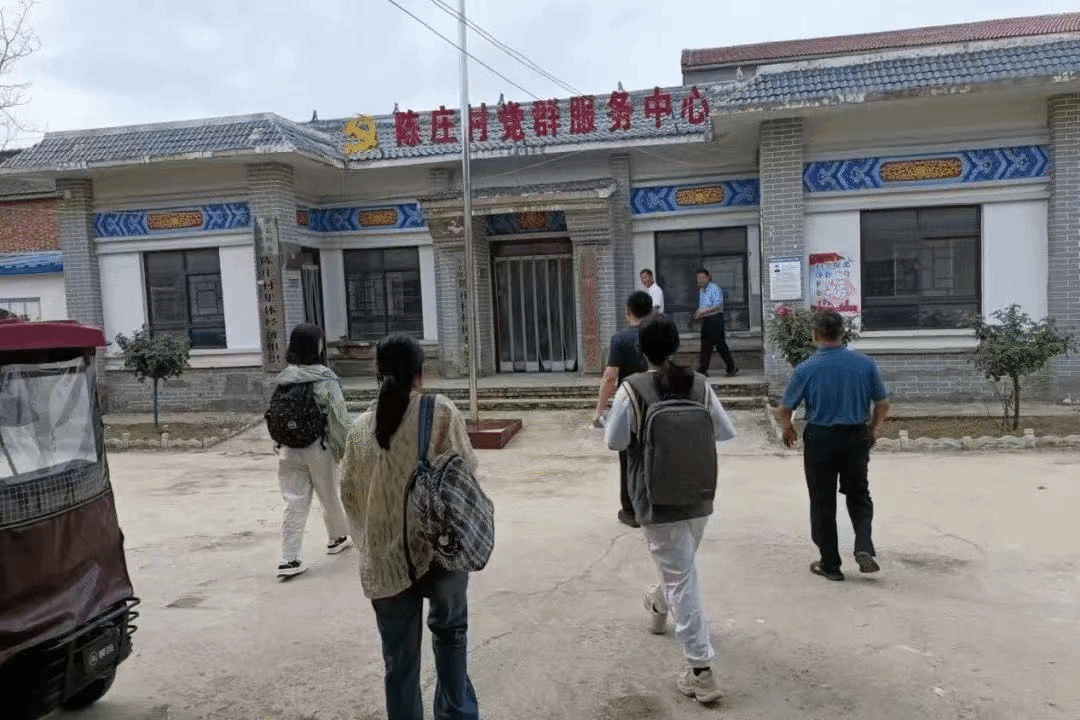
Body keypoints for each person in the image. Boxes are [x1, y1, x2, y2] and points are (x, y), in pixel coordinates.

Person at [340, 334, 480, 720]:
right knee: (451, 639)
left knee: (399, 662)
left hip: (385, 560)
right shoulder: (441, 412)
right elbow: (466, 470)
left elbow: (349, 494)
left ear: (378, 375)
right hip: (442, 551)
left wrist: (375, 537)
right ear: (421, 373)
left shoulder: (359, 430)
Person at [604, 315, 736, 704]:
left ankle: (701, 671)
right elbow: (724, 431)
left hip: (656, 498)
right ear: (677, 345)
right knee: (680, 571)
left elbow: (615, 442)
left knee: (681, 579)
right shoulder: (698, 383)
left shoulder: (632, 389)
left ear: (640, 349)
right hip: (699, 494)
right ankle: (658, 602)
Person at [778, 311, 890, 582]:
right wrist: (873, 429)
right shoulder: (864, 364)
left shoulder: (806, 368)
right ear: (843, 334)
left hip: (821, 439)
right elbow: (882, 404)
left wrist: (788, 428)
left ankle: (830, 564)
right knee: (859, 494)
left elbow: (784, 408)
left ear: (815, 334)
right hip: (856, 436)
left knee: (822, 501)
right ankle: (864, 546)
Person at [272, 323, 353, 579]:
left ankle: (289, 558)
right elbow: (339, 420)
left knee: (293, 500)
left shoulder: (285, 378)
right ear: (317, 347)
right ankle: (337, 538)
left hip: (288, 449)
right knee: (328, 494)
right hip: (318, 447)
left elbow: (277, 414)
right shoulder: (325, 379)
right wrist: (345, 449)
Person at [592, 290, 653, 528]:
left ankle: (631, 511)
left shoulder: (621, 339)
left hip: (631, 405)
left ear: (628, 310)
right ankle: (655, 507)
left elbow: (610, 377)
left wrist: (598, 412)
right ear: (650, 310)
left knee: (628, 458)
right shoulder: (660, 334)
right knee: (655, 454)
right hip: (659, 402)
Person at [694, 268, 738, 378]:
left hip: (715, 319)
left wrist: (703, 311)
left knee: (719, 345)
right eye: (698, 278)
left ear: (708, 277)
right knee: (705, 345)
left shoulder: (714, 288)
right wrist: (699, 313)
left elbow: (718, 305)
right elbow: (703, 306)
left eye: (702, 278)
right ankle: (703, 369)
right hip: (707, 320)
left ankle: (731, 367)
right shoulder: (702, 290)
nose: (700, 280)